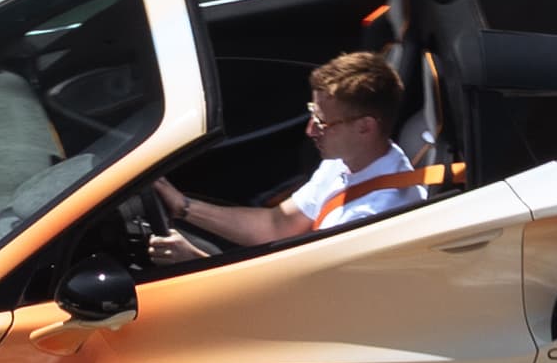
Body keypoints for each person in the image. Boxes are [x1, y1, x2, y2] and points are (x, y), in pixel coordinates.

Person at [162, 47, 429, 257]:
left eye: (323, 122)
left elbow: (305, 294)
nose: (310, 130)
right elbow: (276, 226)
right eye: (312, 114)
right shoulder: (346, 163)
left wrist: (193, 259)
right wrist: (183, 207)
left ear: (364, 127)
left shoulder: (367, 218)